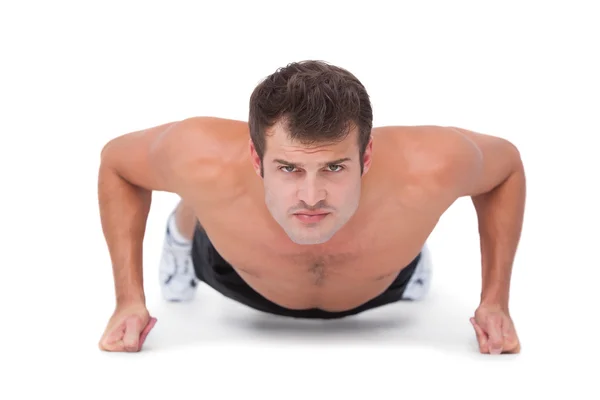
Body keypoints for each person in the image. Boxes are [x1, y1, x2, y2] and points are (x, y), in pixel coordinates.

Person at [97, 60, 524, 354]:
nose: (312, 196)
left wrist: (495, 300)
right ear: (256, 157)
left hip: (384, 282)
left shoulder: (432, 164)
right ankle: (185, 223)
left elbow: (506, 169)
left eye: (335, 166)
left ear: (366, 156)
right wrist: (128, 299)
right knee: (202, 189)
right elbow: (118, 164)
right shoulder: (198, 154)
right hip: (235, 272)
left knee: (407, 214)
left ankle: (410, 246)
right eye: (288, 168)